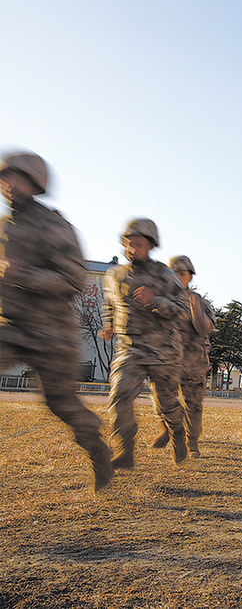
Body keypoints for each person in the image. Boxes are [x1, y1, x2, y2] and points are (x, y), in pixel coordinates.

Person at [0, 151, 113, 492]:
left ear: (34, 183)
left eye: (15, 178)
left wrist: (24, 274)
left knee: (61, 404)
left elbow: (74, 279)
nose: (8, 185)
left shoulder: (54, 226)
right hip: (12, 327)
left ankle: (98, 450)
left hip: (52, 334)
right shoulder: (4, 227)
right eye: (5, 178)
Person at [101, 219, 189, 469]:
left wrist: (156, 300)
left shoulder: (165, 275)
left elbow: (183, 313)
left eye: (138, 244)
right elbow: (109, 302)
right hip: (130, 348)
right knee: (119, 397)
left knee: (167, 404)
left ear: (151, 246)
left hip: (164, 351)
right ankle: (125, 451)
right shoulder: (114, 275)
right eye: (128, 243)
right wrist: (109, 325)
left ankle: (178, 436)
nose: (132, 248)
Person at [151, 255, 216, 457]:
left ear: (190, 276)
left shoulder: (200, 302)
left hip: (193, 361)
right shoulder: (159, 300)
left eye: (182, 274)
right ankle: (168, 427)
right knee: (161, 398)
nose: (178, 278)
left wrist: (196, 309)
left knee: (194, 406)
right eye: (174, 274)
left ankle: (192, 442)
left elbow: (205, 329)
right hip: (166, 359)